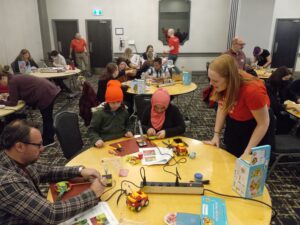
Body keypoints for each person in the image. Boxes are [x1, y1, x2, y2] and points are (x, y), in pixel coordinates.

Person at [0, 120, 105, 224]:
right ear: (20, 147)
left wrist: (80, 171)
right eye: (39, 145)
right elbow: (51, 214)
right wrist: (92, 193)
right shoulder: (6, 183)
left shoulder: (17, 159)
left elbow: (46, 171)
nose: (42, 149)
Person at [204, 54, 274, 158]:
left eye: (215, 81)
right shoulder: (219, 83)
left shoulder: (252, 91)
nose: (211, 84)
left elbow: (263, 123)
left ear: (230, 79)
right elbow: (222, 106)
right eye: (210, 79)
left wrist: (248, 152)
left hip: (255, 124)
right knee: (231, 156)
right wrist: (216, 135)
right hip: (236, 122)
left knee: (248, 165)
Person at [0, 74, 60, 146]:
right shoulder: (14, 77)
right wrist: (8, 97)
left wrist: (2, 102)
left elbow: (13, 103)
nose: (2, 85)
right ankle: (48, 138)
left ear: (2, 79)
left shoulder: (12, 82)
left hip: (45, 93)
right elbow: (17, 95)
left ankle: (48, 140)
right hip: (48, 89)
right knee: (48, 118)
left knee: (47, 118)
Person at [88, 80, 133, 148]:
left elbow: (128, 124)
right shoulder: (99, 113)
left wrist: (129, 131)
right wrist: (96, 139)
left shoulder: (124, 111)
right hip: (105, 143)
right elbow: (92, 130)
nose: (116, 105)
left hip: (122, 140)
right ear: (108, 101)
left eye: (118, 102)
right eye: (112, 103)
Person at [266, 67, 298, 134]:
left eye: (288, 79)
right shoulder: (269, 86)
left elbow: (290, 93)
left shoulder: (282, 84)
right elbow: (274, 105)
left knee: (292, 120)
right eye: (286, 79)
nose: (287, 81)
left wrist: (297, 99)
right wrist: (291, 107)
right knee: (289, 121)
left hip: (281, 109)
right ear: (279, 77)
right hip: (272, 111)